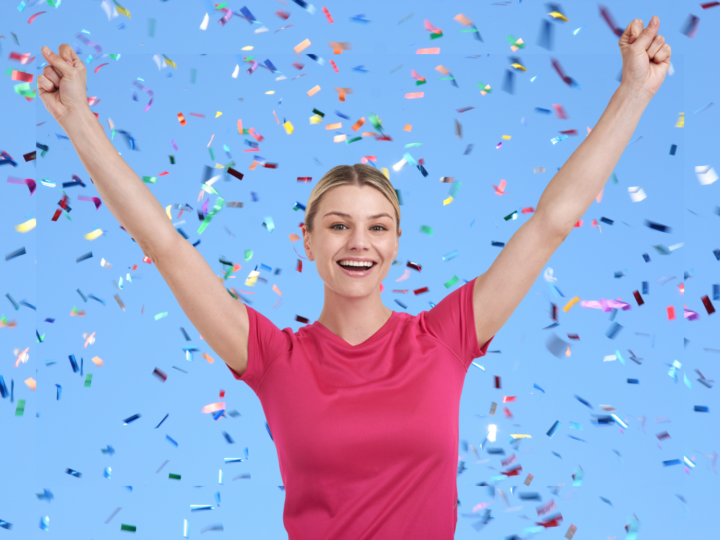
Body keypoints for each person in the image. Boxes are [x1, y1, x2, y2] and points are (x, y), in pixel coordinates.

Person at [38, 16, 670, 539]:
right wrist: (77, 120)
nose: (359, 242)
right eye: (338, 226)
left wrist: (634, 92)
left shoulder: (444, 338)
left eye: (377, 226)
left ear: (396, 243)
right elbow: (164, 243)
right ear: (307, 242)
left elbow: (550, 224)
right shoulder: (272, 358)